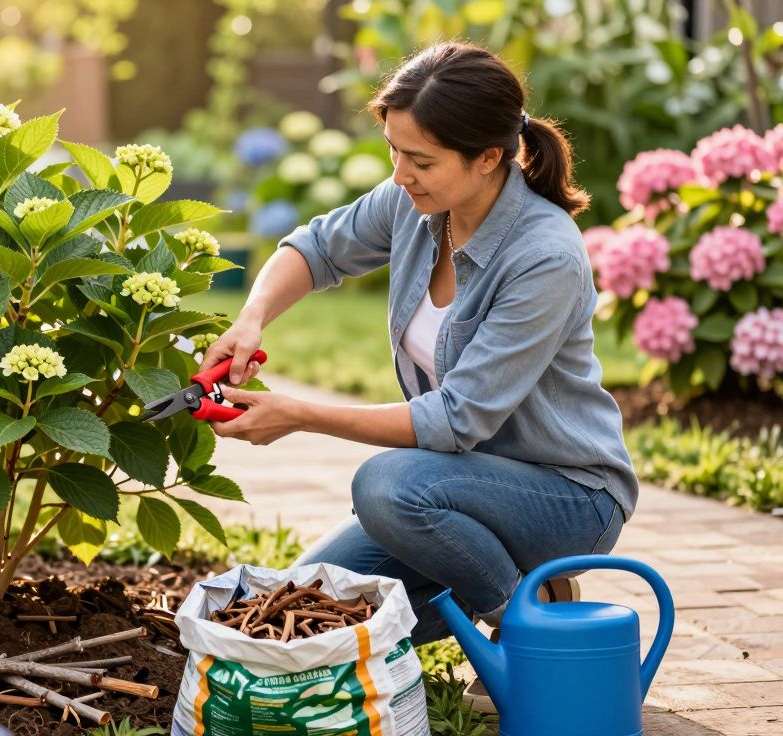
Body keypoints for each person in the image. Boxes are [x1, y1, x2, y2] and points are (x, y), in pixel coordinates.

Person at [199, 41, 638, 709]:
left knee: (385, 484)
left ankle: (525, 613)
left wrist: (300, 414)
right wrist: (252, 317)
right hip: (451, 488)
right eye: (395, 151)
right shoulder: (418, 203)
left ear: (489, 157)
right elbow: (317, 248)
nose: (401, 174)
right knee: (308, 607)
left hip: (563, 493)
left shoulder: (544, 255)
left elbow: (457, 420)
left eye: (421, 159)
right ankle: (502, 594)